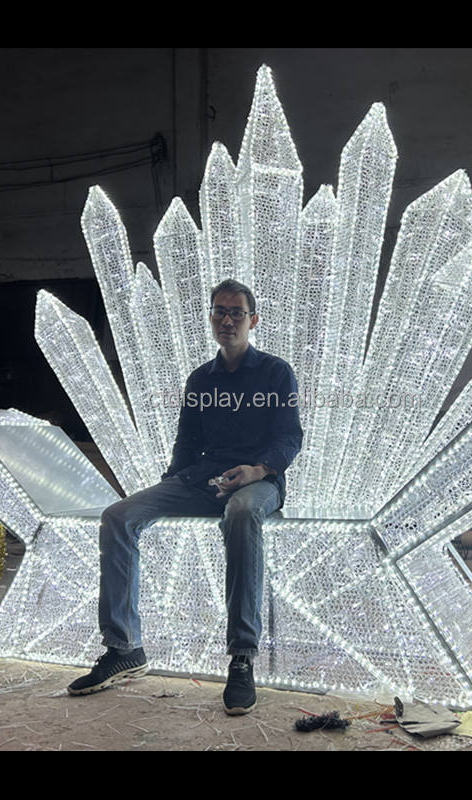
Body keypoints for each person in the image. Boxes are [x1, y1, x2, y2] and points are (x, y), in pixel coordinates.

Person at [68, 279, 302, 715]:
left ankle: (242, 657)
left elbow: (290, 438)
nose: (227, 320)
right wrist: (169, 486)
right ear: (211, 318)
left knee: (241, 515)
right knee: (118, 516)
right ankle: (124, 648)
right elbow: (187, 441)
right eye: (219, 311)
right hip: (201, 479)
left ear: (253, 320)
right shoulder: (200, 379)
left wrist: (255, 471)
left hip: (259, 481)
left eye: (236, 312)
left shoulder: (275, 373)